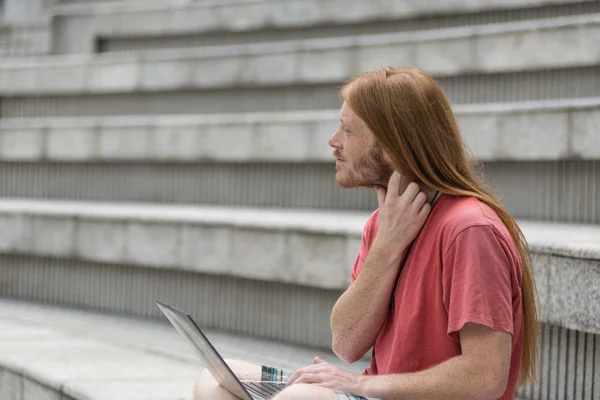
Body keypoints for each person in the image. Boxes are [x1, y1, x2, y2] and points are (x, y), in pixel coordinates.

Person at [193, 67, 539, 400]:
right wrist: (388, 246)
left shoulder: (469, 229)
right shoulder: (385, 222)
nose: (333, 141)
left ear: (392, 145)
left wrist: (365, 386)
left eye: (348, 130)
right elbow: (346, 342)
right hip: (377, 393)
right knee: (216, 380)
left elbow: (485, 377)